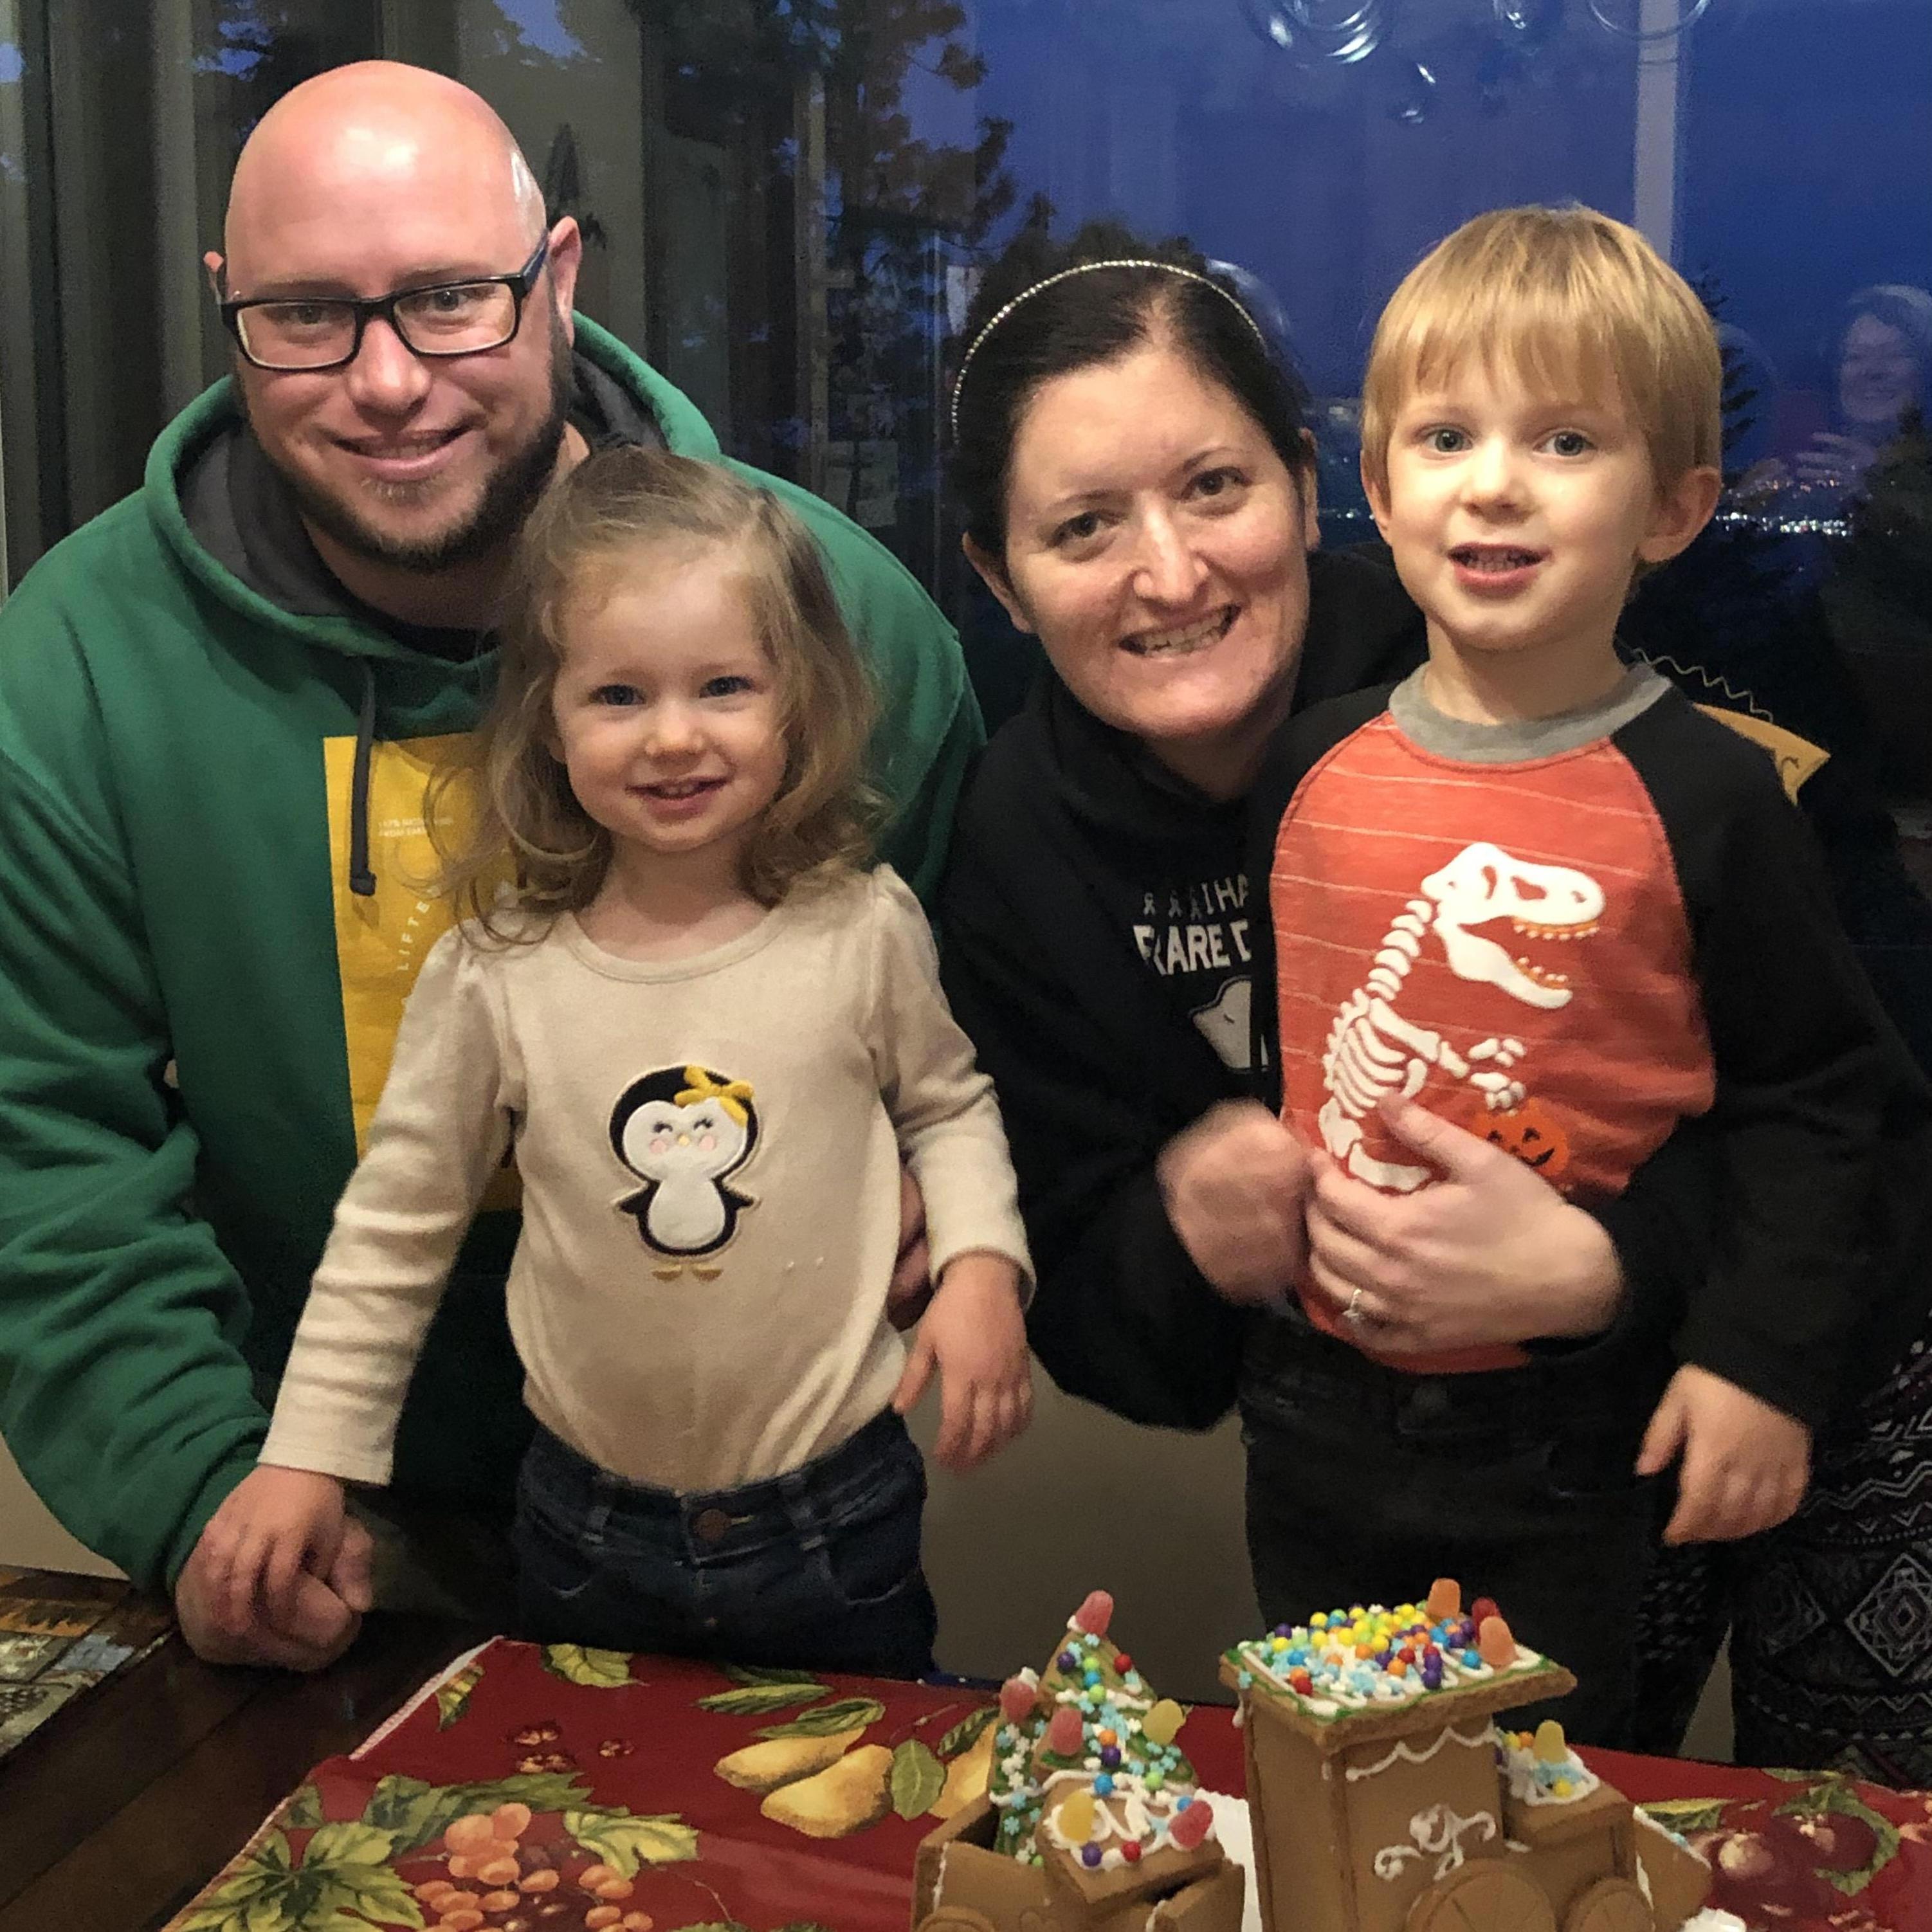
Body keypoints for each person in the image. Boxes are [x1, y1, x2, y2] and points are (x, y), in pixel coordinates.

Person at [0, 62, 982, 1671]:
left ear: (561, 280)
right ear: (225, 304)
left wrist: (954, 1215)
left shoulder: (839, 622)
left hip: (770, 1510)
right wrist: (202, 1487)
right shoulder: (75, 670)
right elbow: (43, 1153)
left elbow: (971, 1043)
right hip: (320, 1519)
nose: (387, 381)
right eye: (308, 314)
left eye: (452, 299)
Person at [936, 221, 1728, 1693]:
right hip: (1324, 1454)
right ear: (996, 575)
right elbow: (1109, 1331)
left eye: (1212, 487)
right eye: (1082, 526)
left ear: (1308, 486)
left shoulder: (1511, 671)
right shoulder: (1012, 845)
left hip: (1643, 1422)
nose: (1167, 573)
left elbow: (1822, 1104)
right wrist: (1177, 1236)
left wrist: (1605, 1263)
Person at [1246, 205, 1931, 1743]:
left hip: (1565, 1430)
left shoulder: (1714, 797)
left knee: (1538, 1814)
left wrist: (1752, 1360)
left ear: (1673, 507)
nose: (1490, 479)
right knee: (1332, 1785)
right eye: (1442, 434)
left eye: (1564, 440)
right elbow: (1275, 1055)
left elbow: (1824, 1104)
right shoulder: (1302, 766)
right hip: (1314, 1413)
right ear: (1374, 482)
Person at [195, 447, 1030, 1677]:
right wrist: (305, 1454)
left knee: (848, 1843)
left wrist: (980, 1269)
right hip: (579, 1525)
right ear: (545, 716)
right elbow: (394, 1229)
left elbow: (950, 1105)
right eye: (619, 696)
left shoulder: (862, 927)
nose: (673, 737)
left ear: (798, 699)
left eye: (725, 685)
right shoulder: (499, 975)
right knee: (595, 1835)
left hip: (837, 1517)